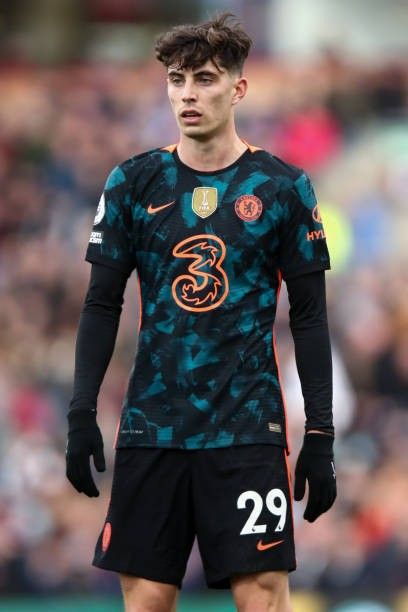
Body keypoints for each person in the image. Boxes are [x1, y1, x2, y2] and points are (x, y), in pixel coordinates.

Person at [66, 13, 336, 612]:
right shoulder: (133, 182)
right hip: (152, 426)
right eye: (177, 79)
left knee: (264, 599)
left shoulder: (283, 187)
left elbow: (312, 318)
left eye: (205, 79)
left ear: (237, 88)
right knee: (148, 603)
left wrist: (321, 431)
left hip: (247, 428)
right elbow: (101, 302)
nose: (188, 94)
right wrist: (81, 411)